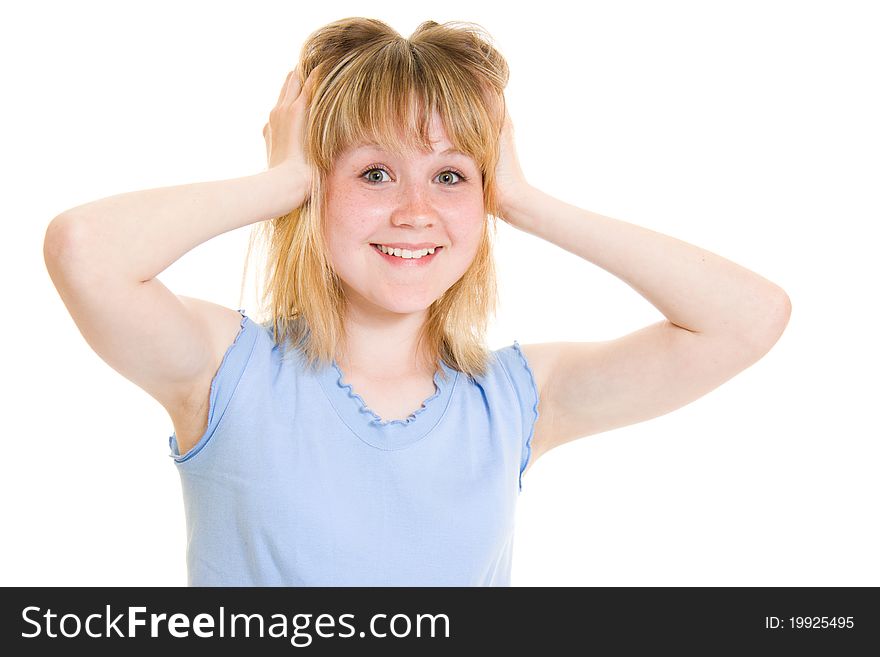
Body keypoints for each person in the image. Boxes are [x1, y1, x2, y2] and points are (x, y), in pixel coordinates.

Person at [43, 17, 790, 586]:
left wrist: (523, 199)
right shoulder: (223, 371)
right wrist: (277, 184)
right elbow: (84, 252)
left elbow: (749, 317)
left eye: (450, 177)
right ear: (317, 186)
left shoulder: (516, 401)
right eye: (374, 173)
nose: (414, 211)